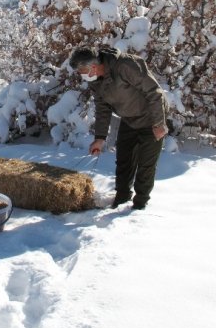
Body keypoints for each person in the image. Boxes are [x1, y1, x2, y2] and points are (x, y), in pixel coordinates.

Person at [69, 46, 168, 210]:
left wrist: (159, 123)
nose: (81, 75)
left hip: (151, 116)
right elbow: (102, 108)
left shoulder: (125, 65)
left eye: (81, 70)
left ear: (93, 66)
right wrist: (100, 138)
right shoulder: (95, 81)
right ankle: (121, 198)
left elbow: (154, 92)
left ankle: (140, 204)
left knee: (146, 164)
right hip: (129, 119)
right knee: (124, 161)